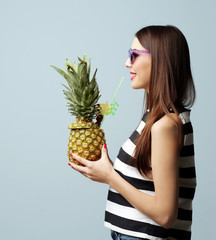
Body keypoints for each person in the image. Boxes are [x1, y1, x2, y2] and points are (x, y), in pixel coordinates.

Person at [69, 25, 196, 240]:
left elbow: (165, 215)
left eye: (134, 55)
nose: (127, 63)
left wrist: (110, 176)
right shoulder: (153, 116)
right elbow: (146, 181)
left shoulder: (164, 125)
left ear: (160, 60)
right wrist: (106, 168)